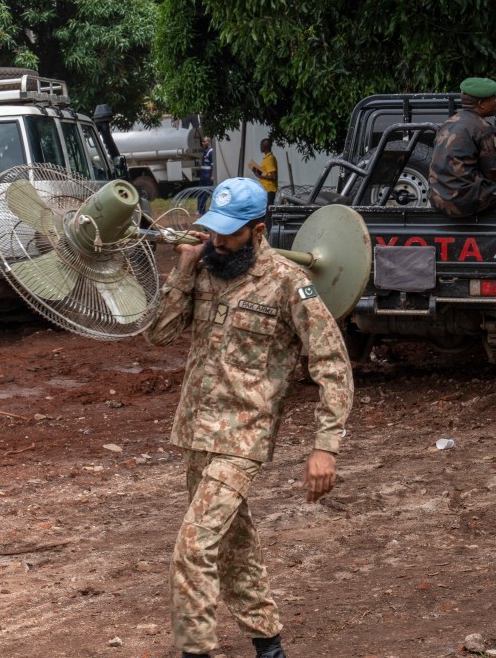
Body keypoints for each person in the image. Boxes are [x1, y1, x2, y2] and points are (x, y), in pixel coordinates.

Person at [144, 177, 354, 658]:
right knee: (234, 546)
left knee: (193, 549)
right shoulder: (203, 269)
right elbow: (158, 335)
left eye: (230, 234)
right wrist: (182, 269)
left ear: (258, 230)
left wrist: (325, 446)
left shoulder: (287, 282)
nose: (218, 242)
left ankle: (196, 651)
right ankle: (269, 644)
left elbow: (332, 364)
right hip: (196, 432)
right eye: (213, 231)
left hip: (243, 438)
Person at [428, 77, 496, 217]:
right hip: (463, 200)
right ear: (481, 104)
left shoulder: (448, 123)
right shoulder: (483, 129)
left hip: (437, 197)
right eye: (493, 98)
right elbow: (492, 174)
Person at [197, 136, 215, 215]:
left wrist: (212, 175)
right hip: (203, 176)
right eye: (202, 142)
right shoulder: (205, 151)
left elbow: (212, 165)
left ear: (208, 141)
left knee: (205, 194)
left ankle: (203, 210)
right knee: (200, 193)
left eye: (204, 141)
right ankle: (201, 210)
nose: (203, 143)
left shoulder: (211, 152)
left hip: (207, 177)